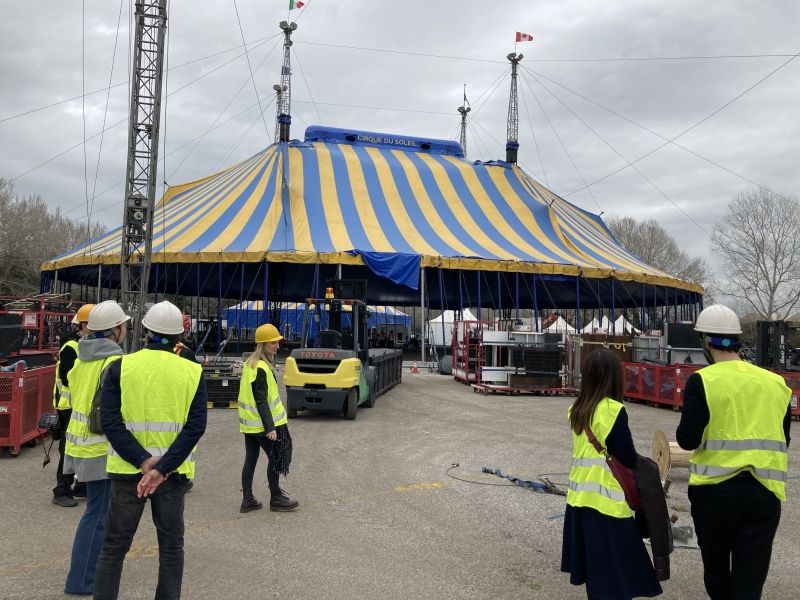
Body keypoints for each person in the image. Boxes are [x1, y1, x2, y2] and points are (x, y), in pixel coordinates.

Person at [93, 301, 207, 600]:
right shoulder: (193, 371)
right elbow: (195, 427)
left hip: (127, 472)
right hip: (172, 475)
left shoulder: (121, 367)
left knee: (114, 548)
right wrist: (162, 468)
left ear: (145, 331)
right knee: (171, 549)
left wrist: (144, 461)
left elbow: (110, 422)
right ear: (179, 336)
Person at [677, 304, 791, 600]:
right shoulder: (776, 384)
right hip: (764, 494)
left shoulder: (702, 381)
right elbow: (784, 440)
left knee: (717, 571)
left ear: (705, 342)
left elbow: (687, 440)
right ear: (737, 341)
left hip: (714, 495)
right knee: (750, 577)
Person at [561, 348, 662, 600]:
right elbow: (626, 455)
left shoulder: (577, 410)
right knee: (617, 575)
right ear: (613, 377)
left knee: (596, 574)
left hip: (578, 501)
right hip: (607, 505)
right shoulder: (612, 410)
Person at [63, 301, 128, 596]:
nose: (125, 330)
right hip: (100, 447)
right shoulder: (113, 363)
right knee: (98, 514)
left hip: (78, 445)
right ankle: (81, 582)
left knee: (96, 512)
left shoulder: (81, 359)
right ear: (115, 330)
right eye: (123, 326)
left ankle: (88, 574)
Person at [237, 323, 298, 513]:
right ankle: (276, 497)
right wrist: (270, 428)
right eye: (273, 343)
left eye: (278, 342)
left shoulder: (250, 364)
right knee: (277, 458)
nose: (277, 346)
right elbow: (261, 400)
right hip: (264, 425)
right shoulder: (261, 368)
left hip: (250, 424)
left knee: (251, 458)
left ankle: (248, 500)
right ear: (263, 344)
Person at [52, 303, 94, 507]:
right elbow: (68, 378)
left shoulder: (82, 345)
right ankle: (61, 490)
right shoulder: (72, 347)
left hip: (77, 405)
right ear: (84, 325)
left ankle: (80, 485)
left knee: (80, 446)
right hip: (68, 406)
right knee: (68, 448)